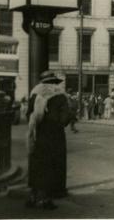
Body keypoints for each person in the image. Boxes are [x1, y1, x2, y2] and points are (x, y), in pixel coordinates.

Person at [25, 71, 71, 210]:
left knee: (37, 164)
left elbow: (29, 115)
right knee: (52, 166)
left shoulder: (34, 94)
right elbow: (65, 118)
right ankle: (45, 199)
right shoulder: (60, 96)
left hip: (38, 134)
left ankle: (34, 196)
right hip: (54, 136)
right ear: (54, 83)